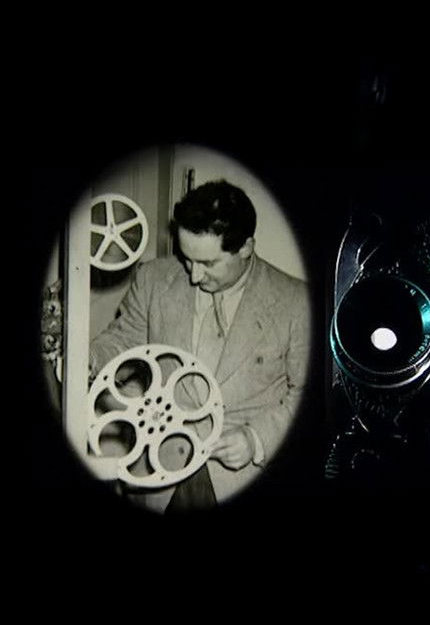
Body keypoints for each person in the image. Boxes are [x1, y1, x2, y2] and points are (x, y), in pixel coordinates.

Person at [89, 180, 311, 512]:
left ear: (245, 248)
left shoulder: (296, 302)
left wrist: (256, 439)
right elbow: (123, 339)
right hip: (157, 473)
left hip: (240, 478)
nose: (193, 276)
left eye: (207, 263)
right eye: (186, 258)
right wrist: (90, 359)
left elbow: (306, 393)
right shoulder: (153, 278)